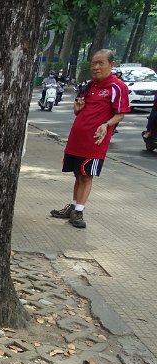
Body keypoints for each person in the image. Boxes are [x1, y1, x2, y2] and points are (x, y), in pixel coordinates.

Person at [50, 49, 129, 229]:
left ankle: (79, 210)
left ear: (111, 65)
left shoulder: (117, 87)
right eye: (94, 63)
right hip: (77, 137)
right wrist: (77, 106)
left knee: (87, 175)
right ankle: (73, 206)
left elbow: (120, 114)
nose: (96, 67)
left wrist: (106, 125)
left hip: (95, 140)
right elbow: (78, 109)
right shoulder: (89, 85)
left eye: (101, 63)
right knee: (77, 174)